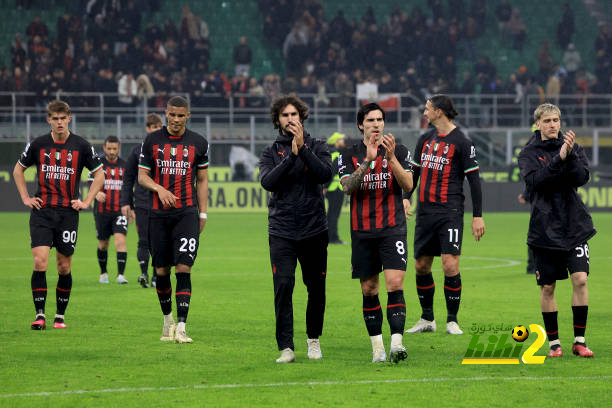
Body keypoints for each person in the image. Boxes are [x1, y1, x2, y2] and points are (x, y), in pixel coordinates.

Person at [13, 100, 104, 330]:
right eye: (55, 118)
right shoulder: (38, 144)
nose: (60, 122)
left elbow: (99, 174)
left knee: (63, 267)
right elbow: (18, 170)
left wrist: (86, 201)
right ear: (49, 120)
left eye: (63, 118)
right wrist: (25, 198)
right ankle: (40, 315)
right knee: (39, 261)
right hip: (42, 212)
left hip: (67, 214)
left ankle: (60, 315)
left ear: (69, 119)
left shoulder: (82, 146)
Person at [518, 103, 596, 358]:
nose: (553, 125)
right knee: (548, 288)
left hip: (574, 225)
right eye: (548, 121)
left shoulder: (573, 148)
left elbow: (582, 178)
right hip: (544, 229)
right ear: (538, 124)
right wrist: (559, 158)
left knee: (580, 279)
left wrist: (570, 155)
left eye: (556, 120)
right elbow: (534, 182)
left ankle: (580, 341)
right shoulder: (528, 152)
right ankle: (554, 344)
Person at [259, 95, 332, 363]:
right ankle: (286, 347)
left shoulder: (318, 146)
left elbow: (325, 175)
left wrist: (304, 149)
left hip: (314, 229)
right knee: (284, 285)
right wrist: (291, 154)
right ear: (277, 120)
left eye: (294, 115)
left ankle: (313, 340)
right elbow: (268, 181)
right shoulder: (270, 152)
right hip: (282, 230)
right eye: (285, 115)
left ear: (301, 117)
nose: (290, 119)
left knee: (316, 287)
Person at [338, 103, 413, 363]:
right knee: (370, 288)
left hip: (393, 228)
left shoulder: (399, 150)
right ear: (361, 124)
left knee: (395, 283)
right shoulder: (348, 154)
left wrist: (390, 159)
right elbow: (347, 187)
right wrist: (369, 161)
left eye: (380, 119)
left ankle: (397, 344)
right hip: (363, 231)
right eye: (371, 120)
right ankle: (377, 349)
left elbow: (408, 184)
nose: (377, 124)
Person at [405, 94, 485, 336]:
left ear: (440, 111)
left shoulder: (462, 141)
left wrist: (477, 216)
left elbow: (474, 181)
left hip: (449, 212)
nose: (425, 112)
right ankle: (427, 318)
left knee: (450, 265)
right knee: (421, 265)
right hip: (425, 212)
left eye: (428, 108)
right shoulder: (424, 139)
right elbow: (414, 173)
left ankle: (452, 320)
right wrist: (406, 197)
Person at [138, 96, 209, 344]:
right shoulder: (152, 140)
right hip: (157, 215)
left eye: (181, 115)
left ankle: (181, 326)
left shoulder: (199, 143)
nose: (176, 119)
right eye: (172, 114)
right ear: (165, 114)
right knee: (161, 270)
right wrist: (160, 189)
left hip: (186, 213)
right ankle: (167, 319)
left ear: (188, 116)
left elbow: (202, 180)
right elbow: (142, 176)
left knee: (184, 267)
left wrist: (203, 212)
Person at [120, 113, 163, 288]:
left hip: (162, 204)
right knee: (143, 240)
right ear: (147, 128)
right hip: (143, 204)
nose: (155, 130)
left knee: (159, 241)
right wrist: (126, 203)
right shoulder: (137, 151)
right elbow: (128, 179)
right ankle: (144, 274)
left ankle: (155, 276)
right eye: (152, 127)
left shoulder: (167, 151)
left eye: (158, 127)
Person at [90, 135, 129, 284]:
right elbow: (90, 183)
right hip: (101, 211)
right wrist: (96, 192)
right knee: (103, 244)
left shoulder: (125, 166)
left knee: (120, 241)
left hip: (120, 210)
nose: (112, 151)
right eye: (109, 148)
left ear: (119, 148)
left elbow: (129, 188)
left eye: (115, 148)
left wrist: (130, 207)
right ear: (104, 148)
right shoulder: (98, 165)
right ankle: (103, 273)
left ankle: (121, 275)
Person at [324, 131, 346, 244]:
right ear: (336, 142)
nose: (343, 141)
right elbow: (332, 172)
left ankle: (328, 237)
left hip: (329, 188)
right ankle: (333, 238)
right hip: (335, 188)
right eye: (341, 140)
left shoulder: (328, 153)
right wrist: (326, 186)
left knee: (330, 214)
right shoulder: (337, 155)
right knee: (334, 214)